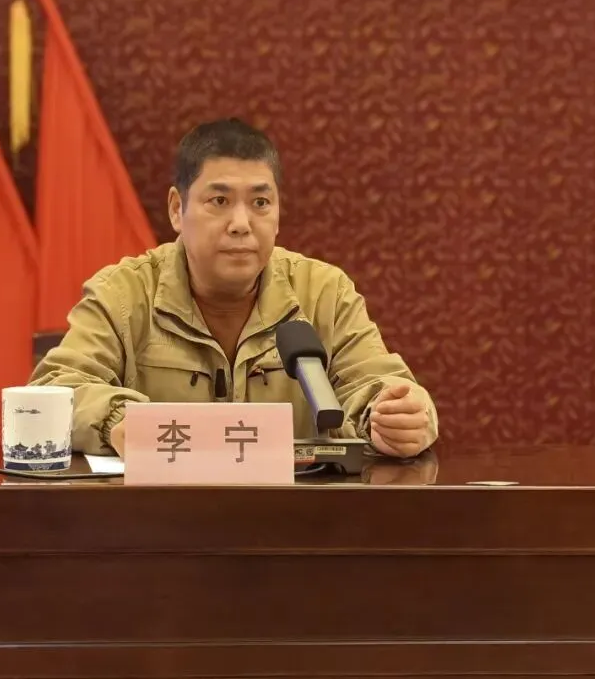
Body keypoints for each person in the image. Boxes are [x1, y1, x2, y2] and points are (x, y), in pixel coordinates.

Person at [30, 118, 438, 457]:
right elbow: (52, 391)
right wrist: (120, 421)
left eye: (260, 203)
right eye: (220, 201)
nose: (241, 224)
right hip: (159, 518)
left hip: (294, 518)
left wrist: (398, 417)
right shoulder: (123, 293)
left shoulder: (323, 293)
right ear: (177, 209)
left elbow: (381, 385)